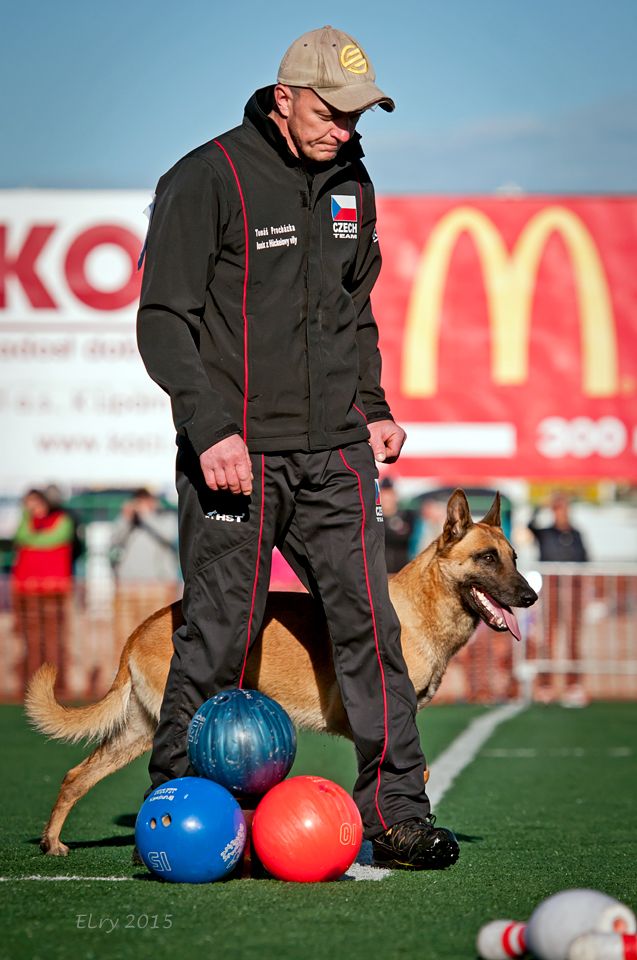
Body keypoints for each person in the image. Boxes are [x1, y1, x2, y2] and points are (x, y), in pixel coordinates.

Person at [136, 25, 459, 869]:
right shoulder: (207, 177)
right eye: (330, 111)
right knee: (216, 639)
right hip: (236, 457)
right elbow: (164, 321)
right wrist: (208, 430)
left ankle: (395, 814)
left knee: (371, 632)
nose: (346, 130)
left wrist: (374, 405)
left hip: (337, 456)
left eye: (359, 116)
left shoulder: (353, 181)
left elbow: (354, 313)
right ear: (283, 97)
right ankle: (176, 810)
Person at [11, 488, 74, 697]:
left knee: (53, 639)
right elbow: (20, 536)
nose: (32, 507)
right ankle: (30, 683)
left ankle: (55, 684)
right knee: (30, 639)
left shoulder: (62, 520)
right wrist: (27, 519)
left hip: (53, 589)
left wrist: (33, 540)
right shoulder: (26, 521)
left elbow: (51, 540)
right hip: (27, 589)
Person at [528, 493, 589, 704]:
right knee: (548, 638)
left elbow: (585, 560)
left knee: (573, 638)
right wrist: (541, 506)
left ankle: (573, 685)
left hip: (573, 592)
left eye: (563, 508)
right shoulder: (545, 533)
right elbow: (530, 526)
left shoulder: (576, 534)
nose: (560, 513)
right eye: (557, 509)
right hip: (552, 590)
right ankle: (546, 685)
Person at [110, 489, 180, 646]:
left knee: (155, 637)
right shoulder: (128, 522)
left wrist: (146, 516)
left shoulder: (166, 518)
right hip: (127, 587)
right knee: (124, 638)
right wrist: (125, 518)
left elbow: (169, 536)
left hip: (157, 587)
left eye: (146, 501)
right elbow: (114, 540)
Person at [379, 477, 416, 574]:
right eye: (384, 494)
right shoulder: (374, 518)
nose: (387, 498)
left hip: (401, 573)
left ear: (395, 496)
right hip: (381, 573)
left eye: (390, 494)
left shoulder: (406, 515)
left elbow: (405, 537)